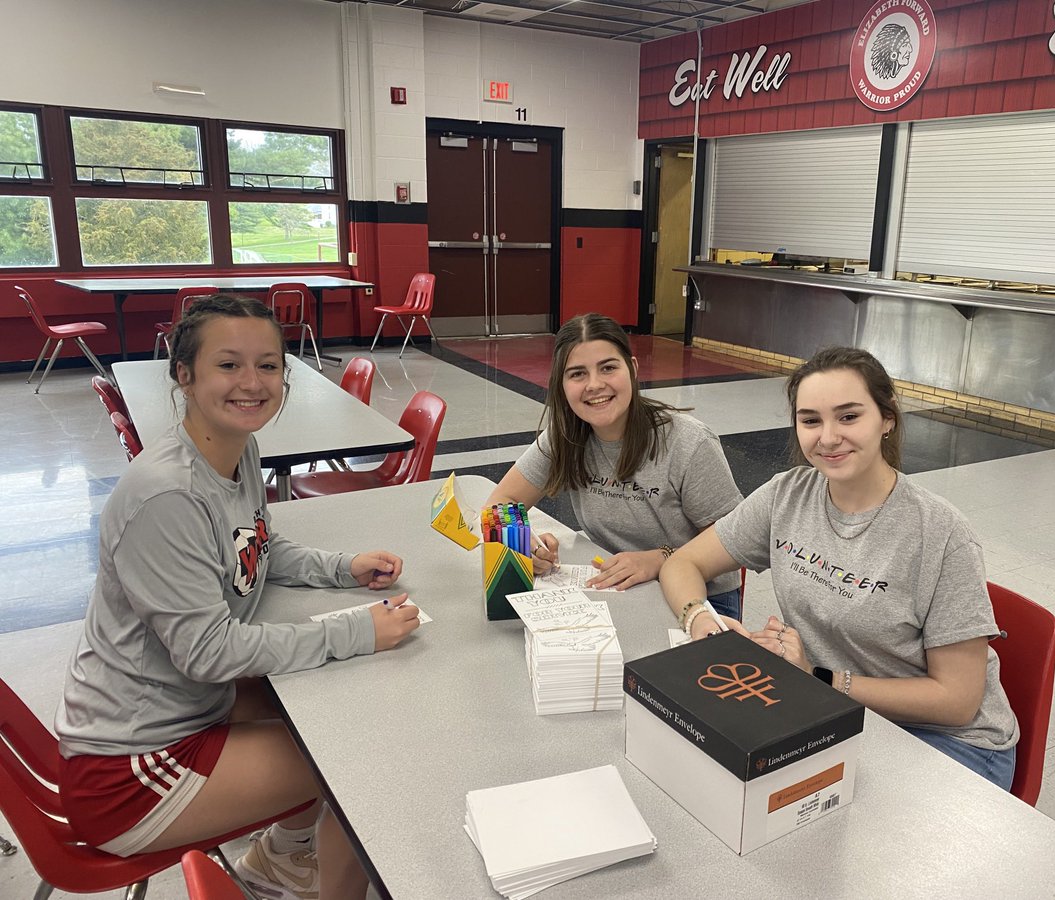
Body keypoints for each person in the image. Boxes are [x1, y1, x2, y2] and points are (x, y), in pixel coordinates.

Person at [54, 295, 422, 900]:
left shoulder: (234, 449)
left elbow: (258, 547)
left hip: (191, 709)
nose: (252, 383)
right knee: (353, 760)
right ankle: (305, 871)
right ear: (185, 376)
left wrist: (342, 569)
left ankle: (283, 857)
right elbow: (211, 654)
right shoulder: (167, 495)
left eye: (269, 365)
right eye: (228, 365)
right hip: (131, 769)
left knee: (322, 708)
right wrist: (357, 629)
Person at [659, 346, 1019, 789]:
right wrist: (701, 621)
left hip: (947, 742)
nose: (827, 437)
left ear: (887, 419)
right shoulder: (787, 495)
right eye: (811, 420)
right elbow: (684, 563)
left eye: (848, 417)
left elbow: (958, 702)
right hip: (830, 709)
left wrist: (820, 677)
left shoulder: (939, 533)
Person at [486, 313, 744, 616]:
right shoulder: (565, 436)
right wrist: (521, 544)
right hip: (618, 588)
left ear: (632, 369)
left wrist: (661, 559)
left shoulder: (688, 442)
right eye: (577, 374)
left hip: (701, 598)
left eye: (608, 368)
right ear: (561, 384)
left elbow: (734, 541)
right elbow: (500, 504)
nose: (594, 385)